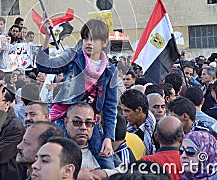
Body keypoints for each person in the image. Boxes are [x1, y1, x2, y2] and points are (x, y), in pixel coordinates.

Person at [36, 19, 118, 169]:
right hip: (65, 117)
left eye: (94, 39)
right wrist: (47, 37)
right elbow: (44, 65)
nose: (88, 43)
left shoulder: (110, 70)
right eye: (86, 38)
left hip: (89, 123)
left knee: (107, 163)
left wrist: (108, 137)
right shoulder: (73, 57)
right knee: (62, 161)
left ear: (105, 42)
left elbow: (110, 107)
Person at [120, 89, 156, 155]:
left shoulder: (157, 129)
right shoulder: (123, 125)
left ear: (139, 110)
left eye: (127, 111)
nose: (124, 115)